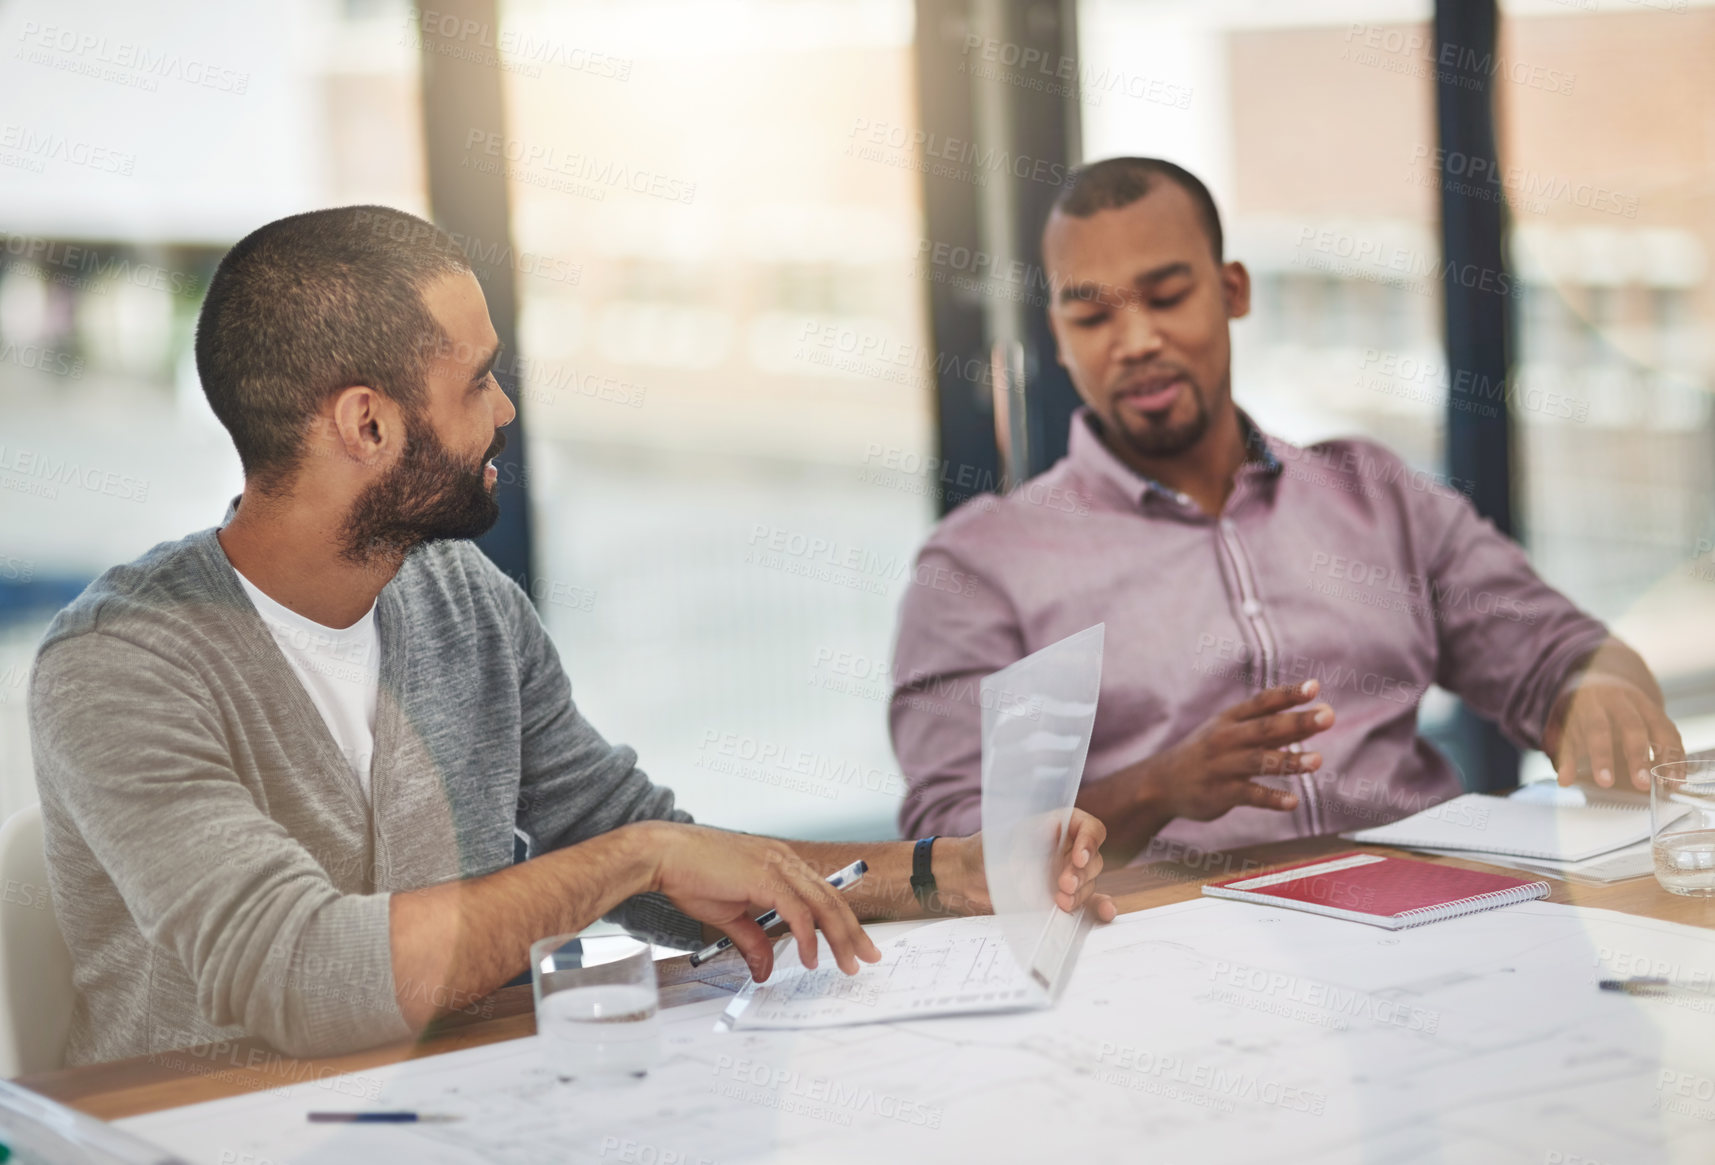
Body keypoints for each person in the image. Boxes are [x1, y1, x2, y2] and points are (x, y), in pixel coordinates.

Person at [28, 206, 1114, 1067]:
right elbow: (310, 979)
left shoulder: (463, 600)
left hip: (461, 1109)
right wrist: (634, 856)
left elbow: (663, 863)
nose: (504, 411)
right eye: (478, 381)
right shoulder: (119, 666)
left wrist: (951, 872)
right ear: (366, 424)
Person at [890, 156, 1681, 867]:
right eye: (1091, 316)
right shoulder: (980, 563)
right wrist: (1157, 787)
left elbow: (1556, 650)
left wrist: (1593, 689)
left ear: (1232, 289)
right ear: (1057, 336)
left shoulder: (1372, 492)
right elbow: (951, 840)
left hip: (1436, 916)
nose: (1133, 340)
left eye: (1166, 296)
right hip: (1168, 968)